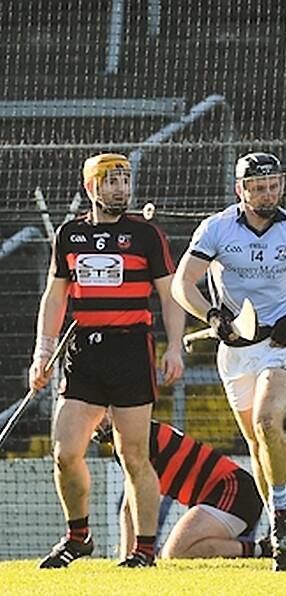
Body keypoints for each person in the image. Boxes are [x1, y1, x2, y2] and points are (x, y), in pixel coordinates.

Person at [171, 152, 286, 571]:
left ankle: (282, 519)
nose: (268, 194)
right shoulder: (217, 229)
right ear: (240, 190)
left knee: (267, 423)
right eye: (259, 188)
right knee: (254, 443)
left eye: (274, 186)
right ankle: (277, 521)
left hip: (282, 347)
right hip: (235, 353)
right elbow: (182, 284)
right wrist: (211, 315)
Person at [31, 153, 185, 568]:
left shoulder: (146, 235)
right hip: (84, 352)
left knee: (133, 454)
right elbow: (56, 295)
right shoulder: (69, 236)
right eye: (111, 181)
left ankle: (145, 551)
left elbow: (170, 295)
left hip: (131, 350)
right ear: (91, 188)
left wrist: (175, 346)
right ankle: (78, 536)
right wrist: (42, 352)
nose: (121, 188)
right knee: (64, 453)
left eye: (125, 180)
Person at [93, 416, 267, 559]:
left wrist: (129, 557)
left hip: (232, 489)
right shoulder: (134, 437)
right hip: (226, 493)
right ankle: (261, 549)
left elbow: (132, 509)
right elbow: (129, 507)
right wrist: (127, 560)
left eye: (101, 414)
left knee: (175, 552)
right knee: (175, 553)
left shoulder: (137, 439)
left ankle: (263, 550)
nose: (98, 423)